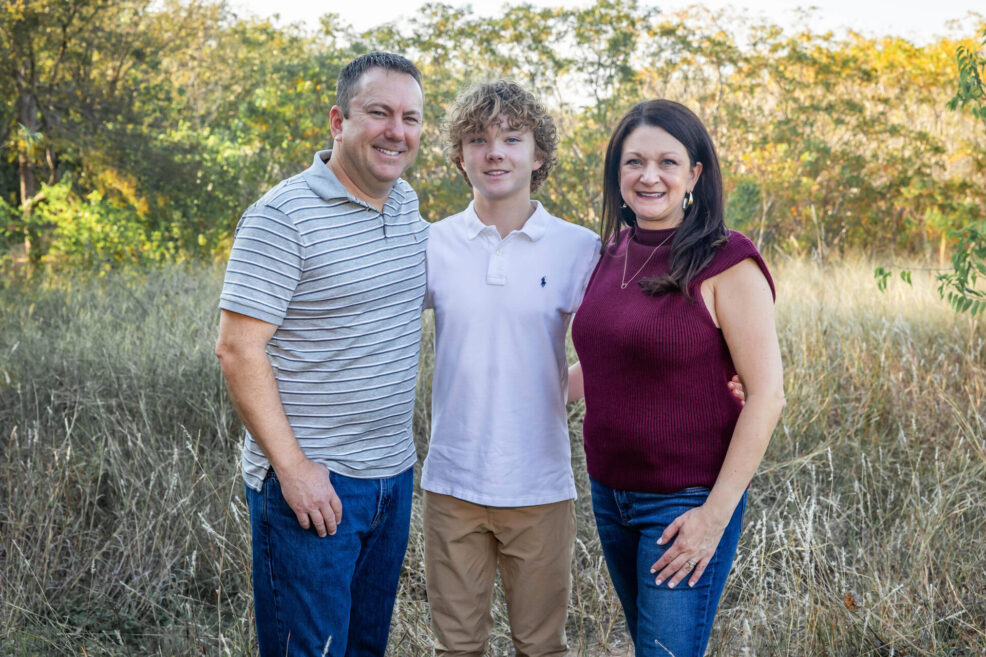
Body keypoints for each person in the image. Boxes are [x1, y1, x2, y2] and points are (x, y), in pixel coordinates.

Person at [214, 52, 428, 657]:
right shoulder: (282, 216)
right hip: (314, 484)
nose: (396, 131)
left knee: (363, 647)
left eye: (410, 118)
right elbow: (237, 349)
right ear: (338, 121)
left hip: (391, 477)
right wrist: (294, 470)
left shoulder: (406, 206)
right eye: (379, 113)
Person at [569, 99, 785, 657]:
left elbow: (766, 396)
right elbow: (607, 366)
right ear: (617, 173)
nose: (649, 176)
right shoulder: (611, 253)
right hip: (609, 493)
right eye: (634, 162)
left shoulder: (728, 260)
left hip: (685, 500)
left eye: (667, 162)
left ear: (694, 174)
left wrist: (713, 518)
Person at [421, 80, 600, 657]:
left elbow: (616, 349)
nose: (494, 152)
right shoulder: (430, 244)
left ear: (538, 154)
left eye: (512, 139)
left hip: (540, 483)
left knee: (540, 646)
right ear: (460, 156)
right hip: (451, 481)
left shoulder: (579, 248)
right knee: (457, 648)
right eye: (478, 139)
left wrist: (552, 389)